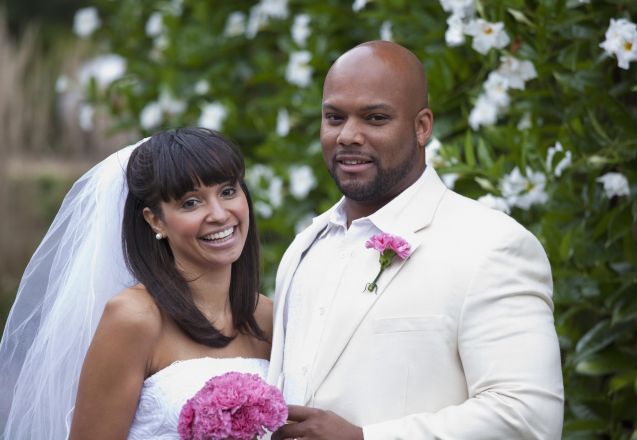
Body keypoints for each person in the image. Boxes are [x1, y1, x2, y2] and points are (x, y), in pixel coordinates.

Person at [269, 41, 564, 439]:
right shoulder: (306, 246)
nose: (348, 136)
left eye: (375, 118)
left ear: (422, 126)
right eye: (334, 117)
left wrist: (364, 438)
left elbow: (528, 418)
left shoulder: (492, 245)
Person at [0, 128, 273, 439]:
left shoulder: (267, 316)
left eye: (227, 192)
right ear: (155, 220)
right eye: (191, 203)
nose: (219, 214)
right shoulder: (134, 317)